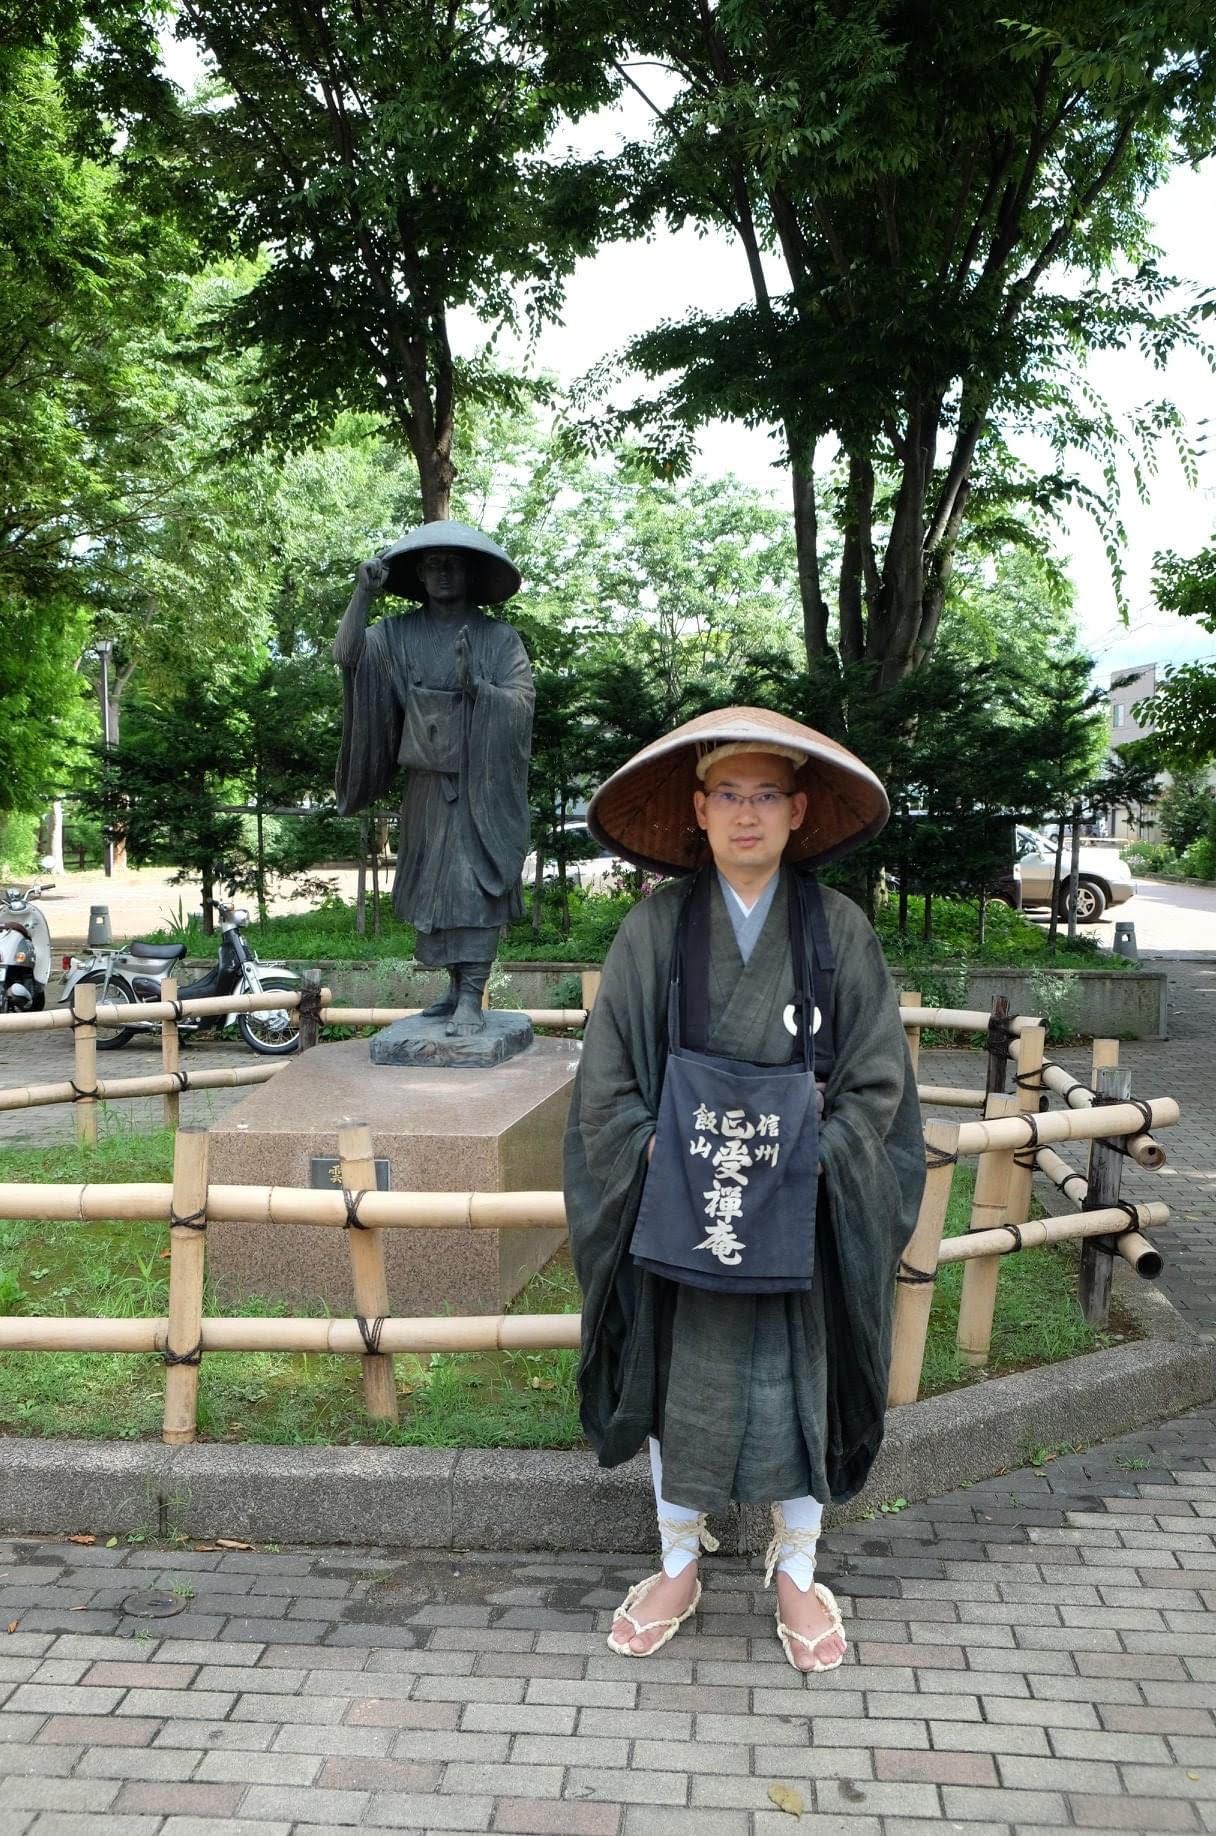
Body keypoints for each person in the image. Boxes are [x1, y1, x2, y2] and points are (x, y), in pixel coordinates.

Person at [564, 707, 925, 1673]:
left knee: (800, 1385)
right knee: (672, 1377)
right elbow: (607, 1082)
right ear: (700, 808)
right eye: (729, 794)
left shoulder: (836, 931)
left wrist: (811, 1167)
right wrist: (660, 1162)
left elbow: (877, 1080)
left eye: (768, 795)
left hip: (798, 1211)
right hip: (683, 1205)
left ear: (800, 810)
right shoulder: (655, 928)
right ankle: (677, 1558)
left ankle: (797, 1568)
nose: (748, 814)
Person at [333, 520, 534, 1036]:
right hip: (425, 787)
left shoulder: (499, 637)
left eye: (453, 564)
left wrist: (480, 690)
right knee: (434, 892)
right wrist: (362, 595)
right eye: (433, 565)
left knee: (474, 888)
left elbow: (521, 702)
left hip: (479, 789)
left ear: (471, 574)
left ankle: (472, 996)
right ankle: (451, 988)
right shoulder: (397, 634)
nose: (443, 573)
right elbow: (347, 656)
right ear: (419, 574)